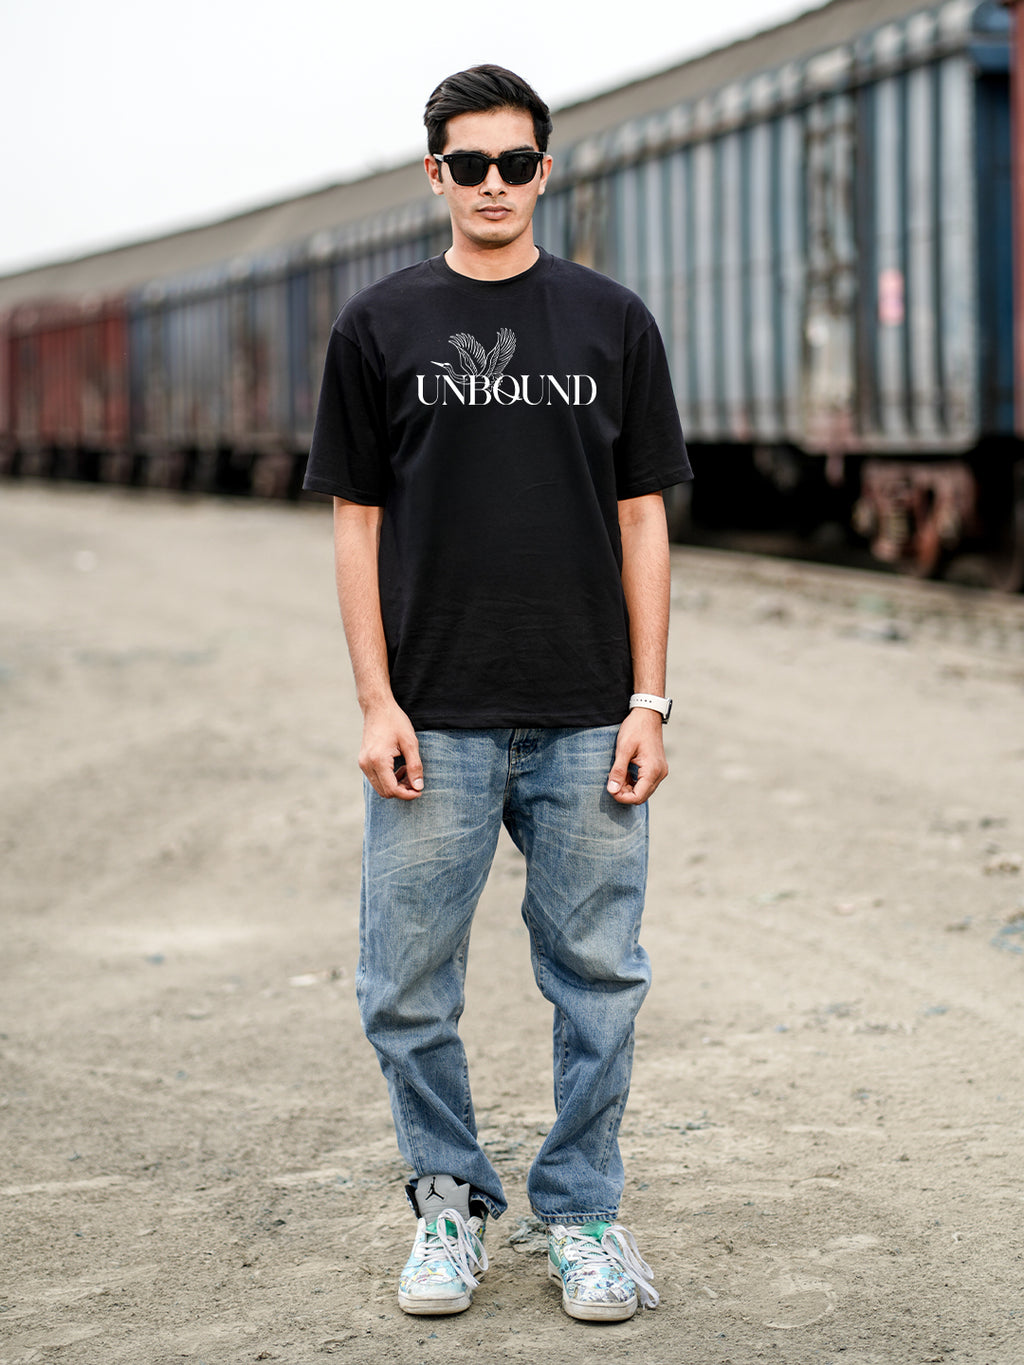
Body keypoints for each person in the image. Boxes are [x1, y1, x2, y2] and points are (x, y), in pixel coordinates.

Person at [303, 64, 691, 1324]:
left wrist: (649, 701)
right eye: (467, 165)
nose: (491, 185)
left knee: (599, 981)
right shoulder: (378, 326)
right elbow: (355, 525)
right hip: (435, 718)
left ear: (542, 171)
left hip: (587, 716)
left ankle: (581, 1216)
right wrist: (376, 701)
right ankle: (449, 1209)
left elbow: (642, 517)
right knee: (405, 988)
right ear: (435, 174)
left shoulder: (610, 320)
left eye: (513, 164)